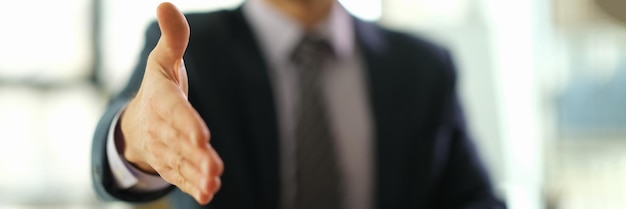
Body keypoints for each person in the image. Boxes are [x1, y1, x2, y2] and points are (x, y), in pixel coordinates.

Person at [91, 0, 506, 208]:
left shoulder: (423, 67)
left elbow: (475, 199)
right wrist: (135, 138)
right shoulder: (193, 52)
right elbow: (118, 141)